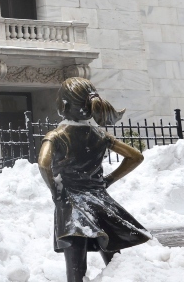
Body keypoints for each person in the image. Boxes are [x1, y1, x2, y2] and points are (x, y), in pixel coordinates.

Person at [38, 78, 151, 282]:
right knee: (116, 262)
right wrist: (108, 180)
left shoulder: (56, 136)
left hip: (71, 204)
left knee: (75, 268)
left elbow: (44, 163)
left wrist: (55, 189)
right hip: (100, 203)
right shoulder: (100, 134)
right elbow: (136, 156)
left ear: (63, 105)